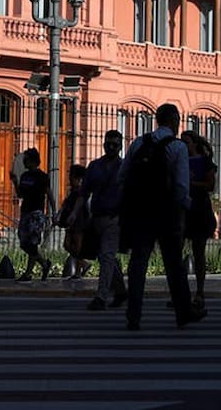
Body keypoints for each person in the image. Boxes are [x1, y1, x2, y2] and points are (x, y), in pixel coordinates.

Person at [119, 103, 204, 331]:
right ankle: (183, 312)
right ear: (175, 120)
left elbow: (123, 175)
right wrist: (183, 211)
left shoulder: (139, 142)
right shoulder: (177, 147)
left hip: (140, 212)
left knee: (138, 263)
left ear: (157, 120)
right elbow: (180, 184)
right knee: (174, 263)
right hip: (166, 212)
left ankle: (133, 314)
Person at [82, 129, 128, 310]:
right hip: (97, 217)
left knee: (107, 255)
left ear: (120, 147)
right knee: (105, 257)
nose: (110, 147)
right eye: (108, 144)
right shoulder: (94, 166)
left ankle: (101, 296)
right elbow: (84, 192)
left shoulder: (124, 167)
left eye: (114, 145)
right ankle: (121, 290)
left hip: (114, 218)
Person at [181, 130, 217, 311]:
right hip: (182, 210)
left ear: (195, 144)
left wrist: (189, 183)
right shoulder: (178, 161)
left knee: (199, 252)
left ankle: (200, 291)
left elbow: (210, 185)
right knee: (176, 253)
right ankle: (180, 292)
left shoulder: (205, 162)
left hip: (199, 210)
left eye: (186, 142)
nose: (183, 145)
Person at [11, 148, 54, 282]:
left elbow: (49, 194)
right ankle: (44, 264)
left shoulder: (42, 176)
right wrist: (15, 182)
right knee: (24, 242)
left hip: (36, 212)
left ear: (34, 161)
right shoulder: (24, 176)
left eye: (27, 159)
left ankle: (28, 273)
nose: (24, 161)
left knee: (33, 242)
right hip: (25, 211)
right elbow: (20, 195)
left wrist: (53, 211)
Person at [57, 163, 92, 279]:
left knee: (77, 246)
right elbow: (66, 205)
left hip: (80, 222)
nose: (70, 180)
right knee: (68, 245)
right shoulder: (72, 192)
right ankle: (83, 264)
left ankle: (78, 270)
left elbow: (84, 208)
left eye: (72, 177)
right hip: (71, 222)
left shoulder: (82, 192)